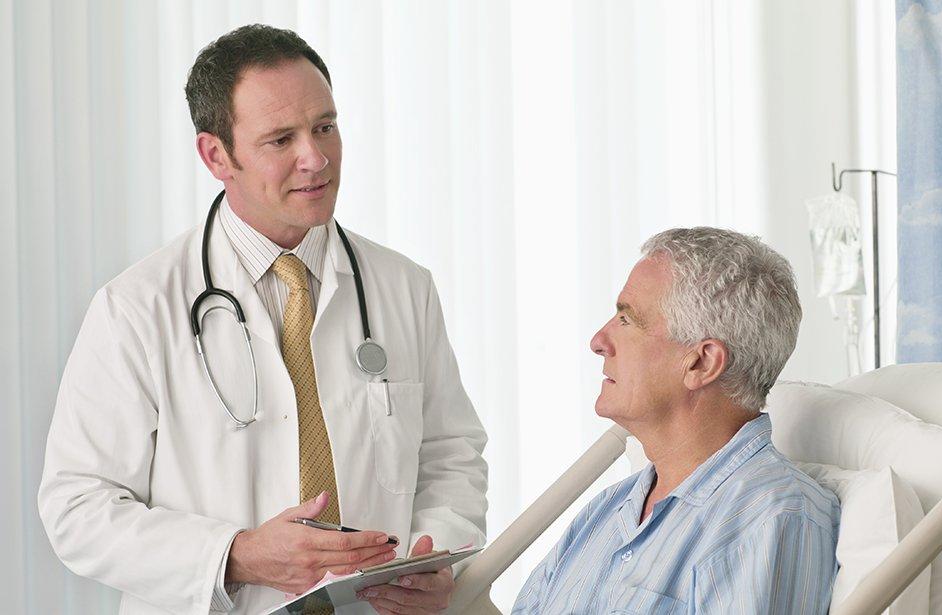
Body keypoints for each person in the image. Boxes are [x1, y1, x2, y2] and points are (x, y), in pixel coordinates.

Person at [38, 25, 487, 615]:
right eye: (281, 139)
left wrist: (432, 553)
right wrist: (236, 554)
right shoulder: (136, 309)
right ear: (216, 155)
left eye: (325, 126)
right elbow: (77, 508)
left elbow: (450, 452)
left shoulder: (403, 287)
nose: (316, 157)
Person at [512, 228, 840, 614]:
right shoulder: (604, 514)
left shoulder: (772, 519)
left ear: (701, 363)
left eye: (626, 319)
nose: (598, 340)